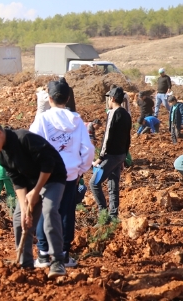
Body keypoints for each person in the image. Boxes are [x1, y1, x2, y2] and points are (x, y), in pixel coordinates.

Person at [0, 119, 68, 278]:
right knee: (19, 219)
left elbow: (48, 164)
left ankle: (58, 261)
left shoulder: (24, 138)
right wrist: (25, 209)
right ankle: (25, 264)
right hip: (30, 183)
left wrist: (36, 191)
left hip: (52, 177)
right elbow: (17, 181)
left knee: (50, 211)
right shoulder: (2, 155)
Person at [29, 80, 95, 268]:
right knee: (66, 213)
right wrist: (81, 169)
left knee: (45, 212)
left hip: (48, 175)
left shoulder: (43, 119)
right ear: (67, 98)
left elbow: (32, 145)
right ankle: (64, 254)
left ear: (49, 98)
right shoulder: (76, 120)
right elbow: (88, 149)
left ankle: (43, 255)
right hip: (70, 175)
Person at [90, 87, 132, 221]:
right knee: (113, 185)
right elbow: (128, 138)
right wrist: (123, 158)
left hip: (111, 156)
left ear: (112, 99)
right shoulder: (126, 114)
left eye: (109, 98)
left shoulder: (112, 113)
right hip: (120, 155)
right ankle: (113, 215)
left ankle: (103, 214)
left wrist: (100, 158)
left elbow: (107, 137)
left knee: (93, 183)